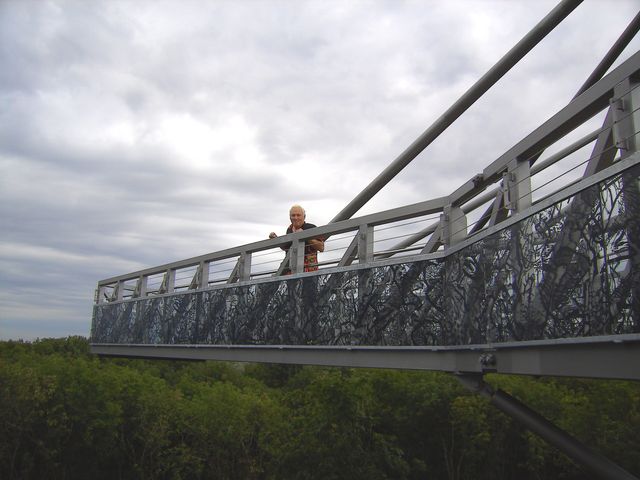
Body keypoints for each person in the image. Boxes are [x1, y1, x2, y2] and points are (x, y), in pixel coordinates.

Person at [269, 204, 324, 272]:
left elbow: (321, 247)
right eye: (293, 215)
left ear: (304, 217)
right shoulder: (289, 229)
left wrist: (304, 235)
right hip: (291, 270)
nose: (295, 218)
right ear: (290, 218)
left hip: (309, 271)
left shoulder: (311, 227)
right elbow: (287, 248)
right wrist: (276, 239)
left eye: (298, 215)